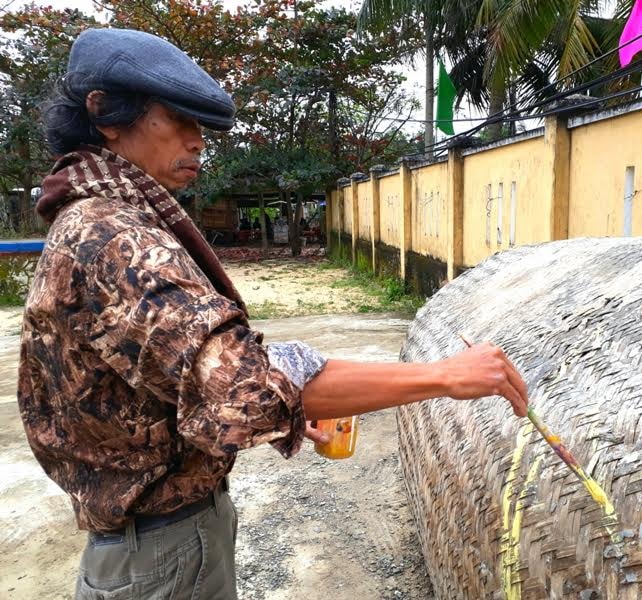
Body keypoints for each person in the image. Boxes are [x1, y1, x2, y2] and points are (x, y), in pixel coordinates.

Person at [17, 28, 528, 600]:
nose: (197, 142)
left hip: (155, 541)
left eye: (201, 127)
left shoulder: (93, 218)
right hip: (161, 552)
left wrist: (290, 401)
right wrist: (445, 376)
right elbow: (244, 390)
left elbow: (166, 375)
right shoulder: (112, 236)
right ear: (106, 115)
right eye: (177, 121)